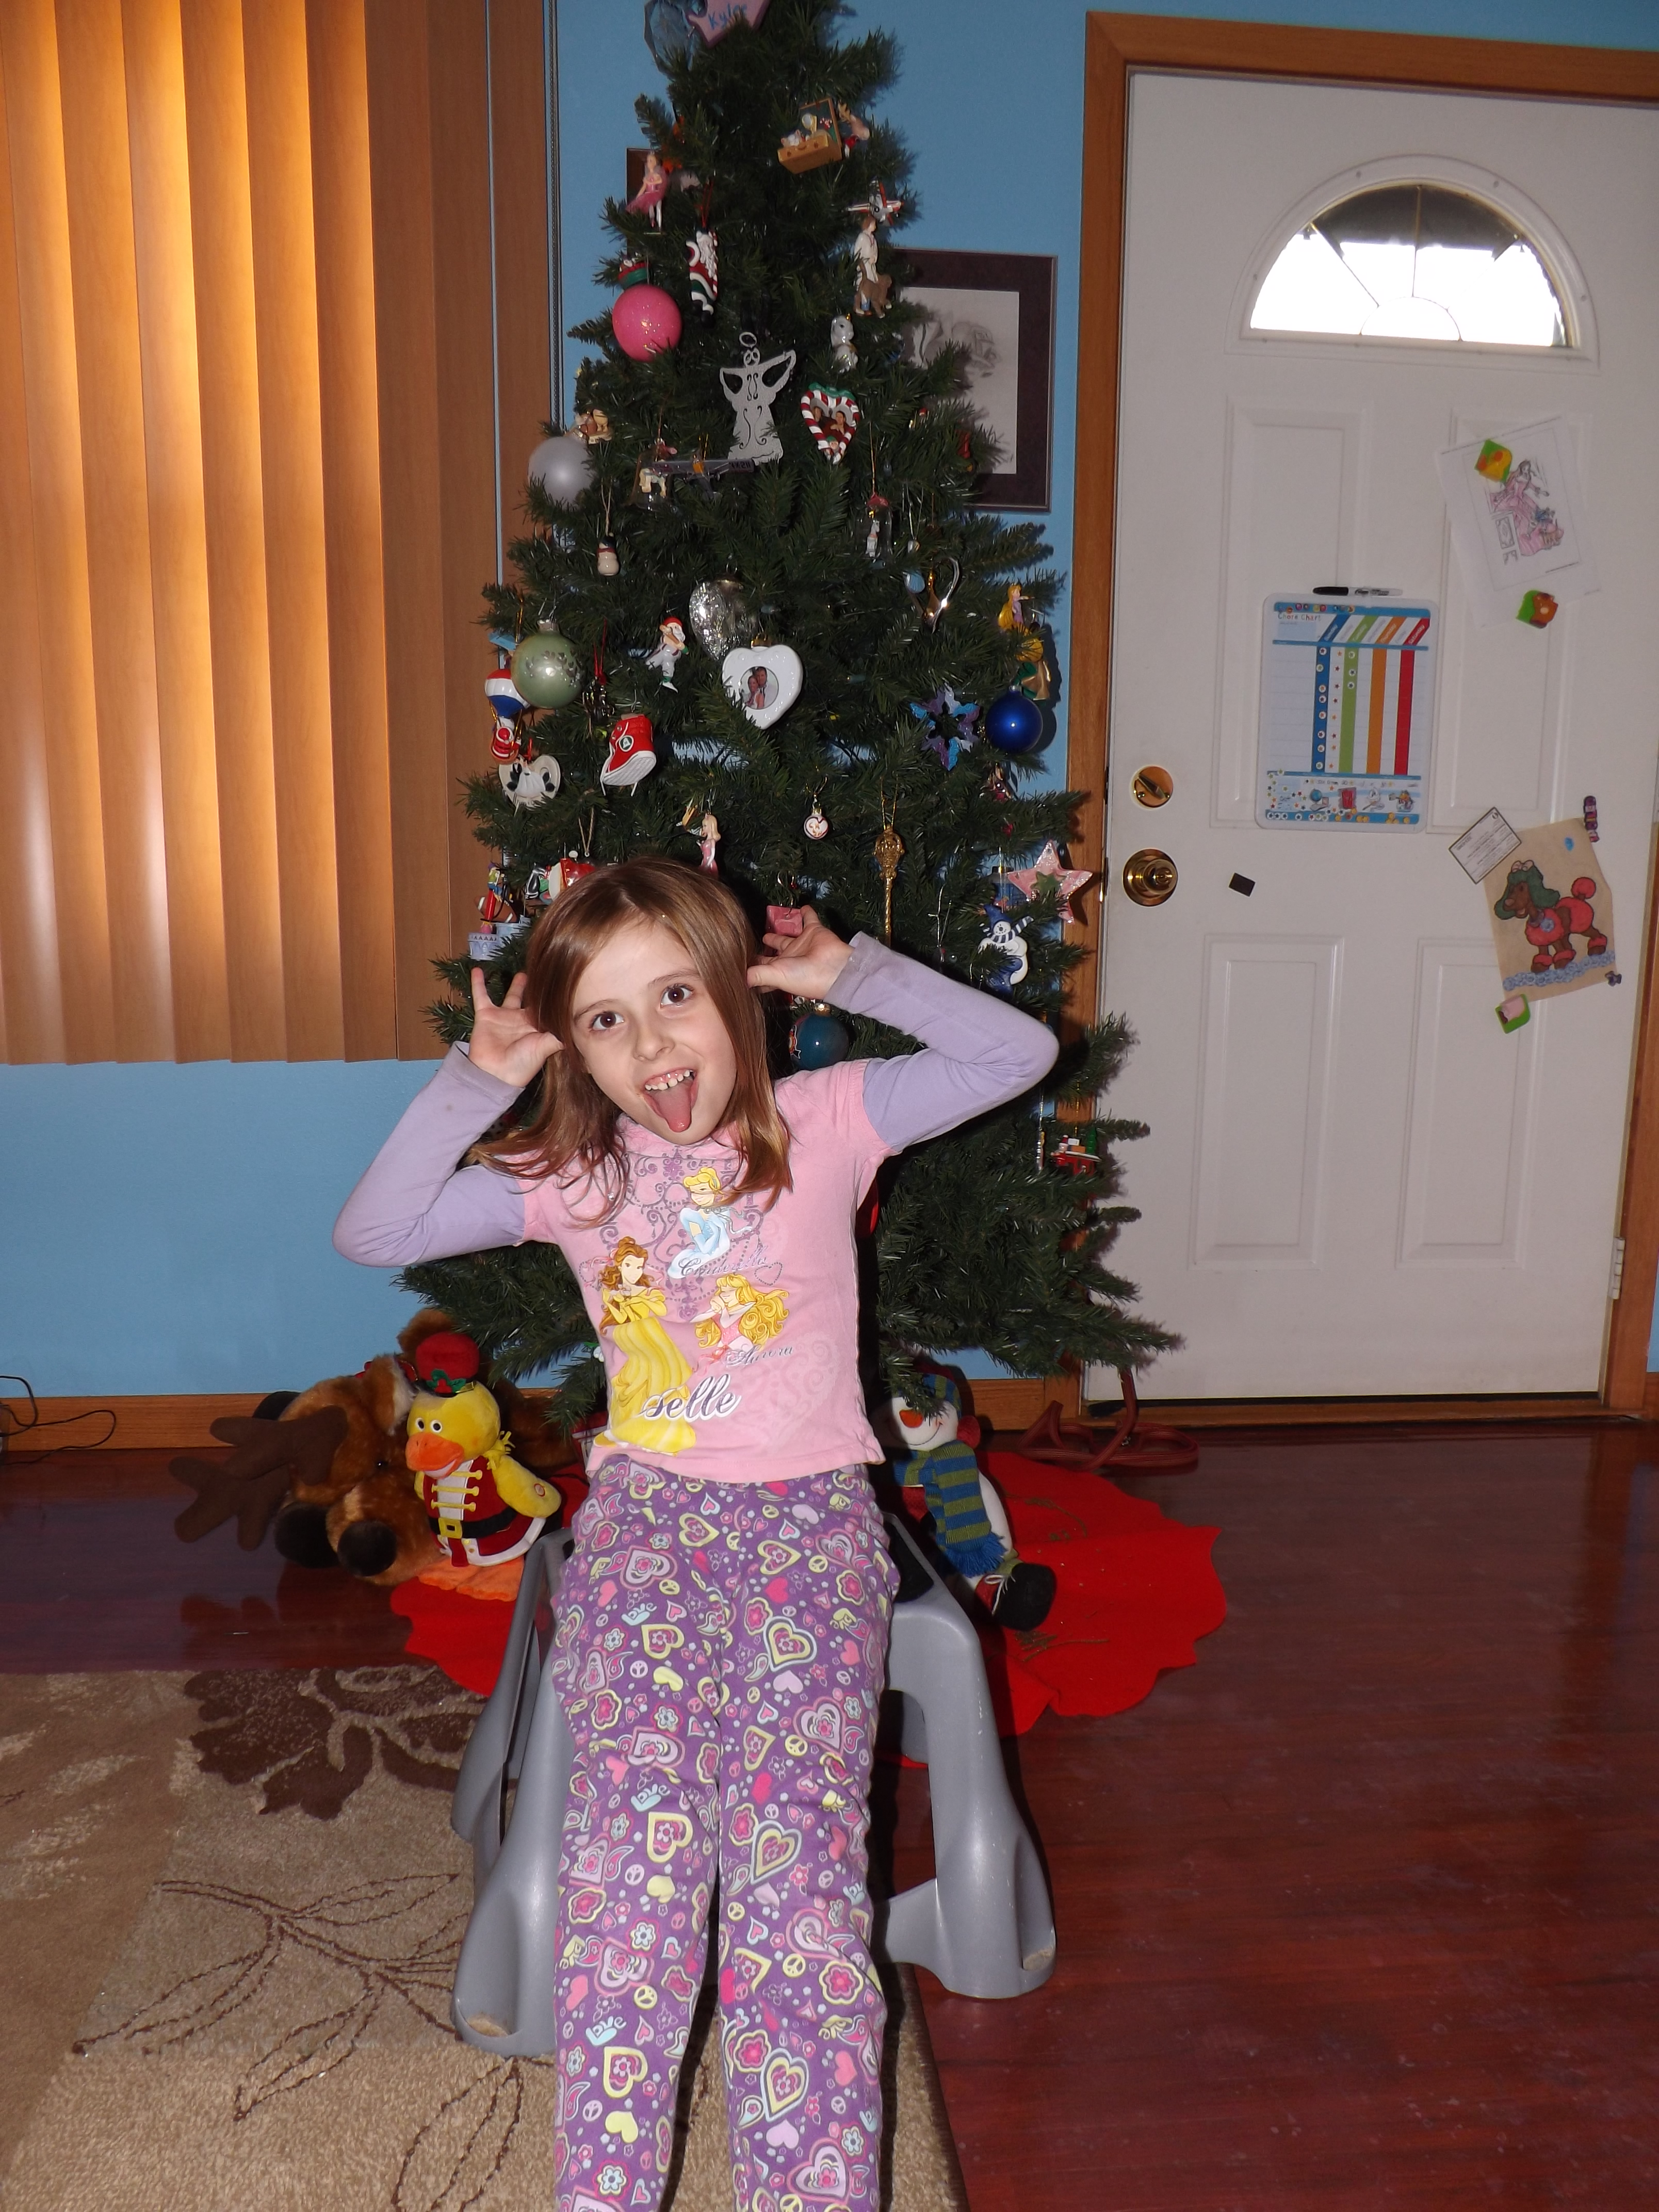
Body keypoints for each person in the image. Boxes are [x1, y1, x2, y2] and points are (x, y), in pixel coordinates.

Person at [333, 856, 1056, 2212]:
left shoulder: (829, 1118)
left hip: (810, 1530)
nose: (653, 1044)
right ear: (573, 1046)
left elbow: (1017, 1054)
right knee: (634, 1884)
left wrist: (853, 974)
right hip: (649, 1534)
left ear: (739, 991)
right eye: (606, 1019)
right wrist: (479, 1079)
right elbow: (375, 1229)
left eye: (678, 995)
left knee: (798, 1899)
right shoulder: (574, 1175)